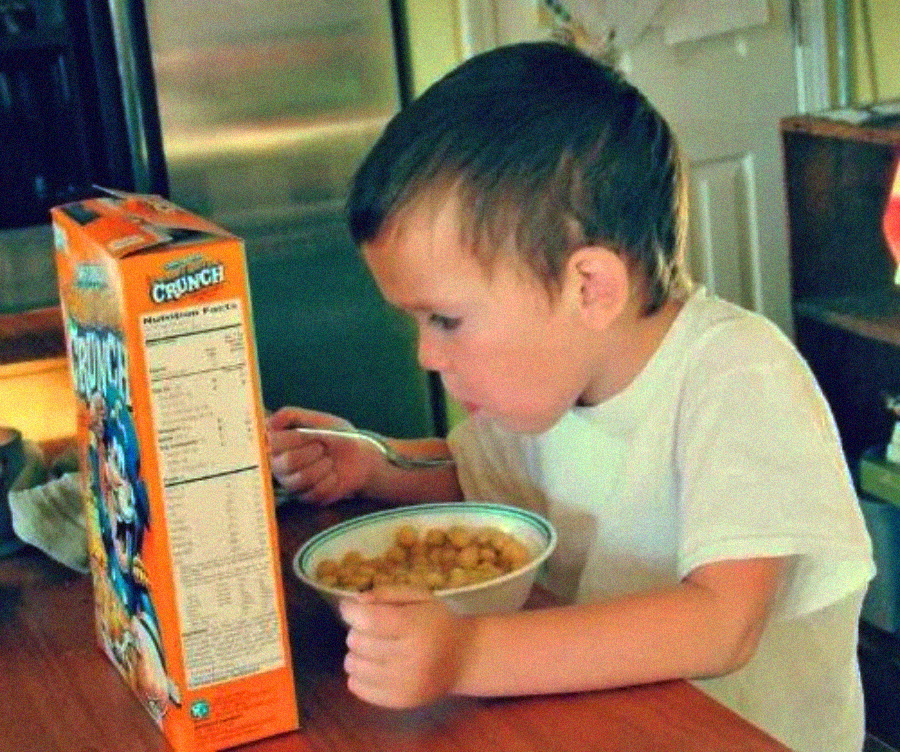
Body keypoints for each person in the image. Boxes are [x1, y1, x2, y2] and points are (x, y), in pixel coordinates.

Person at [266, 42, 874, 752]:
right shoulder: (552, 385)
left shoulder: (740, 378)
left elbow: (721, 623)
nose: (428, 356)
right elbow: (484, 475)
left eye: (446, 319)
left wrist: (464, 654)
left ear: (589, 288)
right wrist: (374, 462)